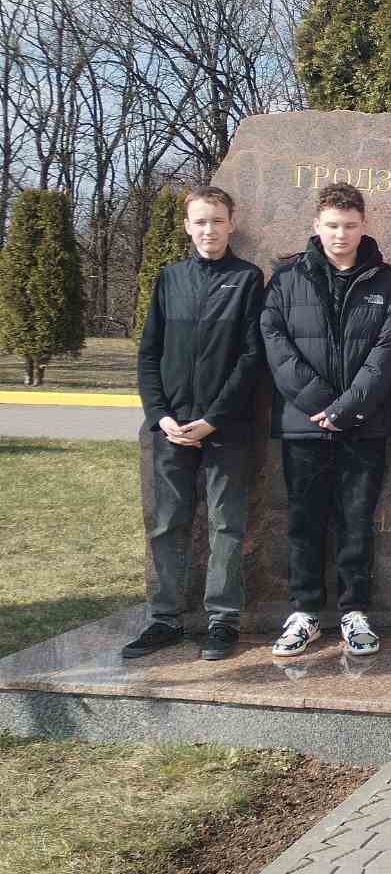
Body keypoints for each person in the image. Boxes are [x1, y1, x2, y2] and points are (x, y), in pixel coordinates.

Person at [260, 181, 391, 658]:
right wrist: (322, 403)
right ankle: (304, 612)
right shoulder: (286, 279)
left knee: (356, 520)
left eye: (349, 226)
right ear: (316, 226)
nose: (340, 235)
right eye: (331, 226)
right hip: (304, 425)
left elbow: (388, 351)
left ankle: (354, 611)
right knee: (304, 521)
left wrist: (347, 408)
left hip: (363, 424)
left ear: (364, 226)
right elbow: (275, 342)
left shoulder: (387, 283)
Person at [123, 186, 265, 663]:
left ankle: (222, 619)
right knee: (167, 523)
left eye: (217, 221)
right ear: (188, 226)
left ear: (231, 224)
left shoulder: (248, 279)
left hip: (226, 428)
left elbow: (250, 358)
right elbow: (148, 356)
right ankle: (164, 618)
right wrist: (160, 415)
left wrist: (212, 419)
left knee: (226, 524)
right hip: (171, 428)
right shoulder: (170, 279)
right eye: (200, 222)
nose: (209, 230)